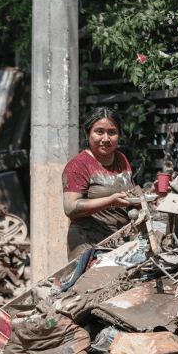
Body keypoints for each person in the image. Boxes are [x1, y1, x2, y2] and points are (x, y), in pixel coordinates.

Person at [62, 106, 140, 260]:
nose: (106, 139)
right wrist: (110, 201)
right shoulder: (78, 165)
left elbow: (130, 194)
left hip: (120, 243)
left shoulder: (121, 159)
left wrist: (152, 193)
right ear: (87, 134)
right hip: (88, 245)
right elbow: (70, 207)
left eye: (112, 132)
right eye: (99, 132)